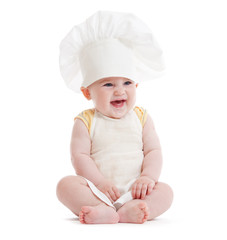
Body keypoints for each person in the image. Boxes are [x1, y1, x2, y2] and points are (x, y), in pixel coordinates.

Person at [56, 11, 173, 224]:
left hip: (136, 190)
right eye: (108, 84)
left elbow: (153, 150)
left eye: (127, 83)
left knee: (166, 192)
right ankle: (102, 209)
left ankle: (133, 209)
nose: (120, 91)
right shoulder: (85, 121)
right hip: (99, 191)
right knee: (65, 186)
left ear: (136, 84)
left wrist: (148, 177)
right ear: (87, 92)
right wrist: (99, 183)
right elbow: (79, 157)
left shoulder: (142, 117)